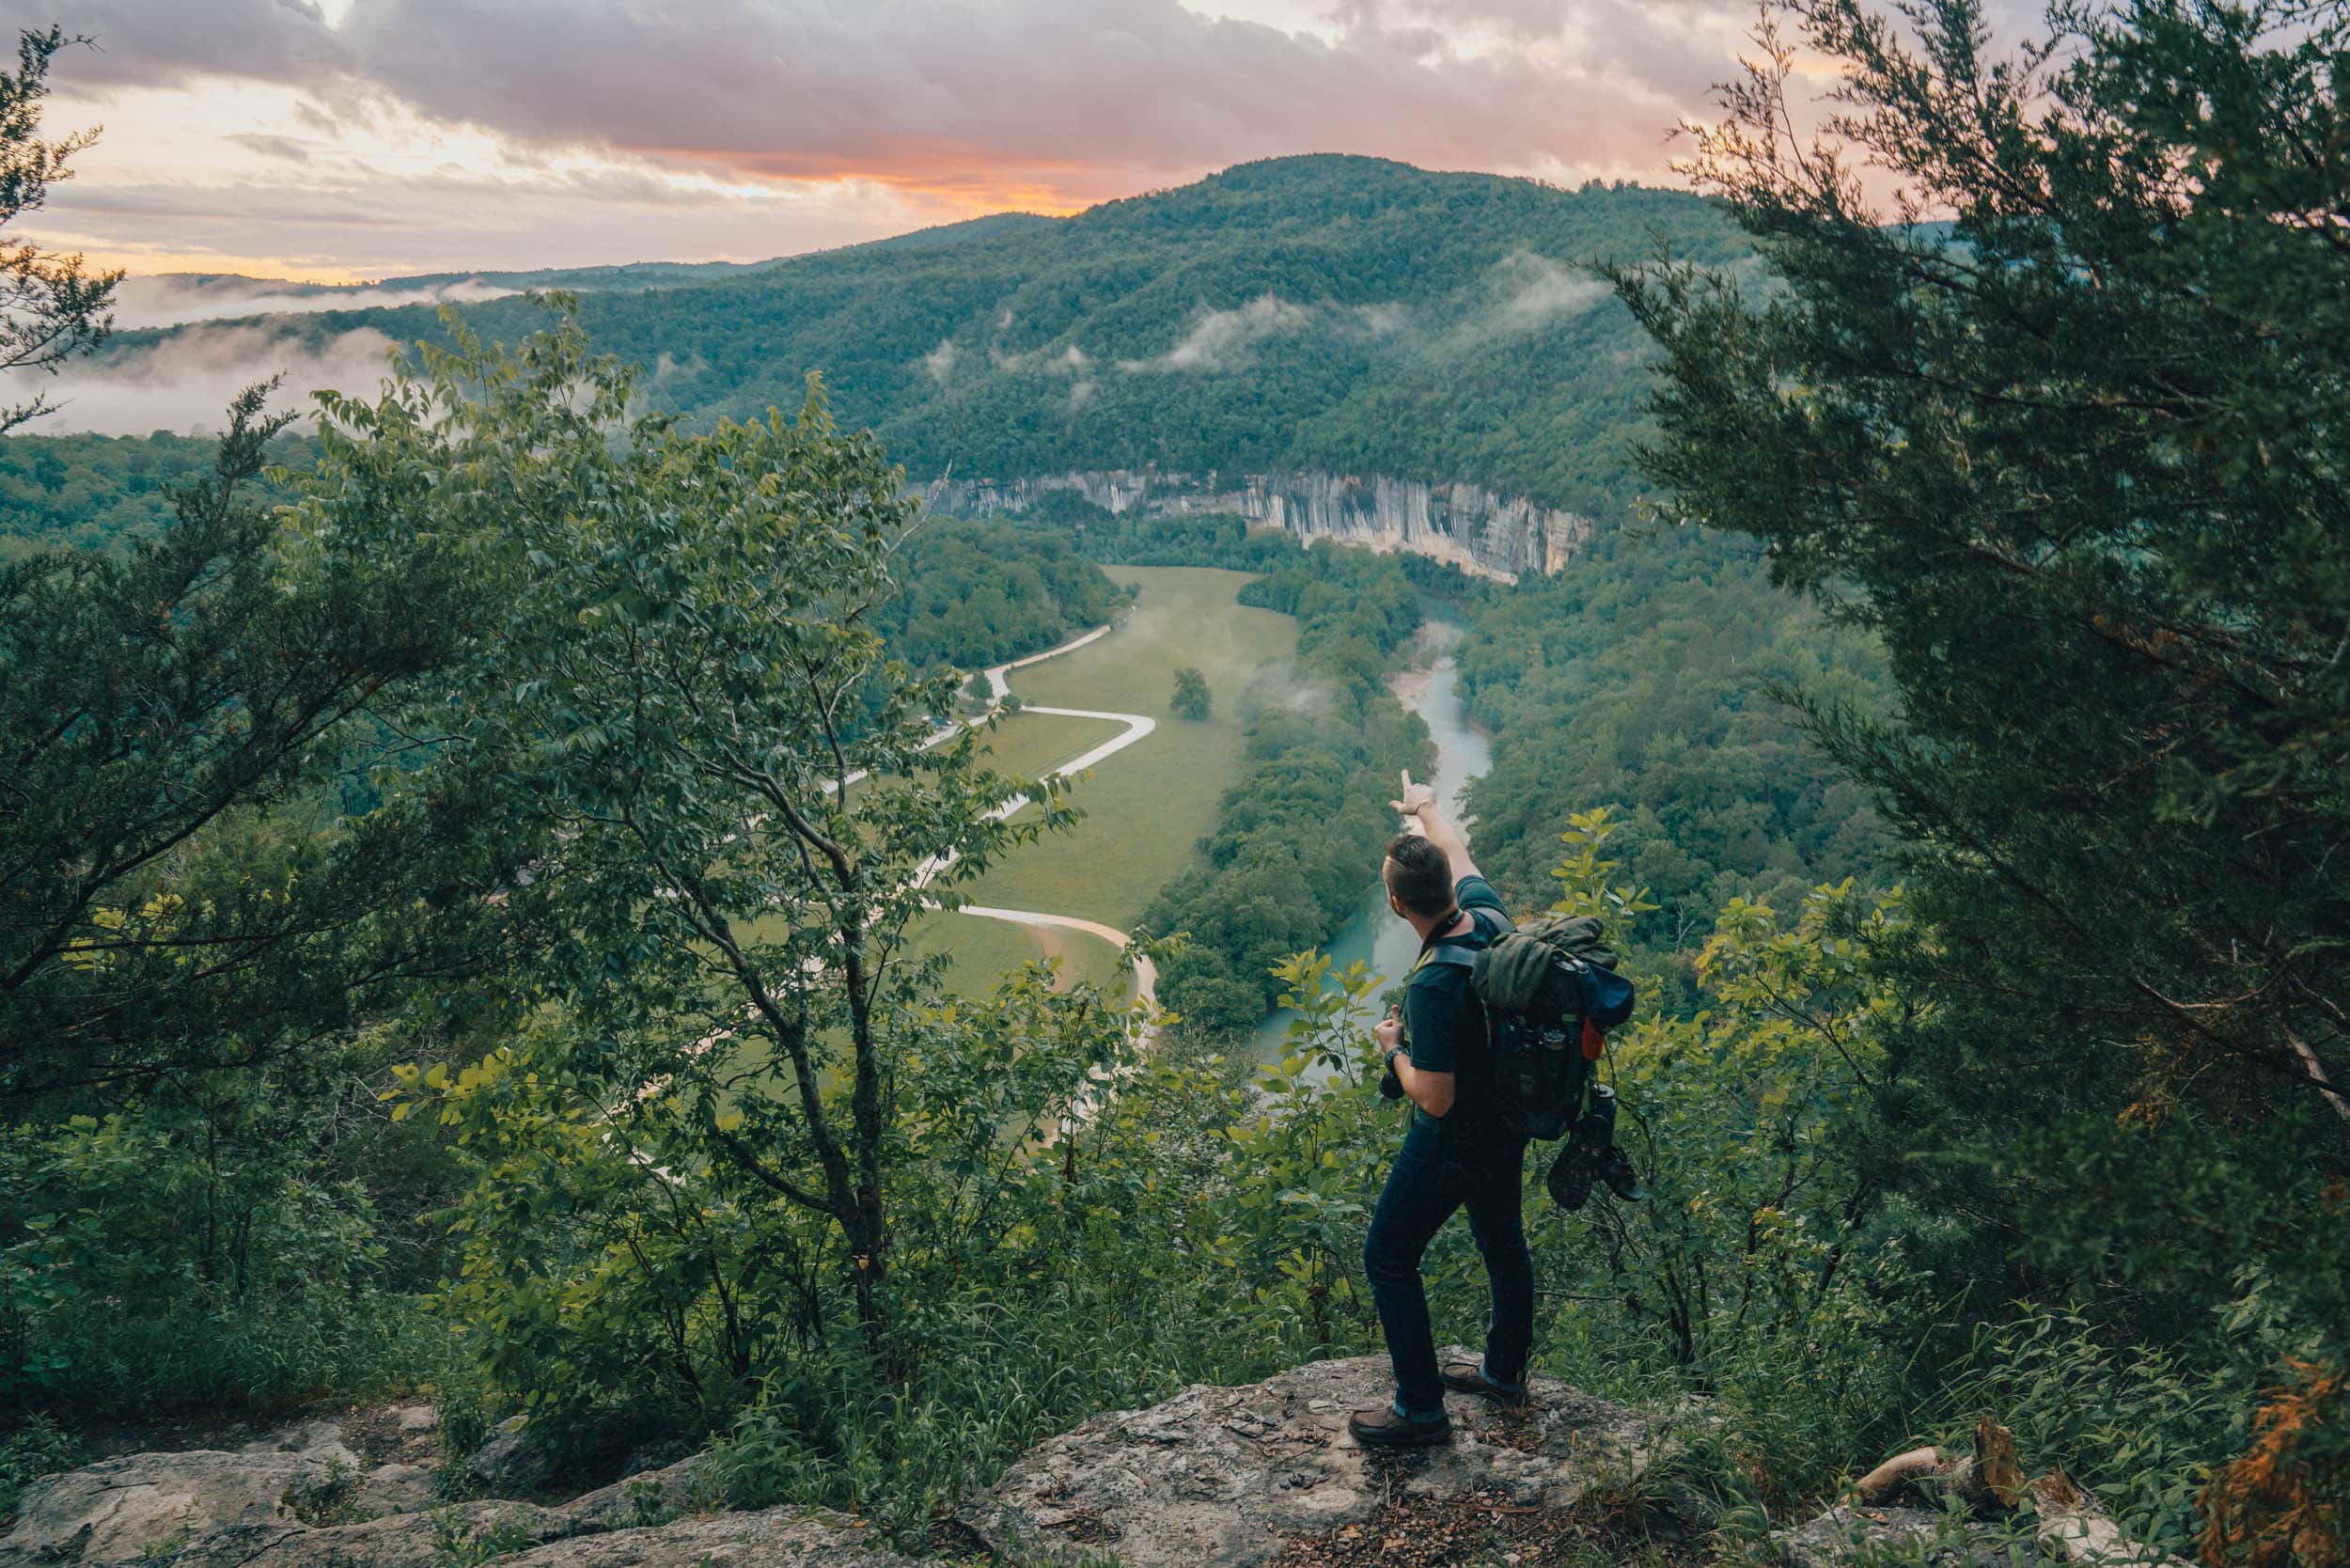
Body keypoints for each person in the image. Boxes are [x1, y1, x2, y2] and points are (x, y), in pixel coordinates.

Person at [1349, 770, 1533, 1448]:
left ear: (1398, 907)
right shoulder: (1488, 916)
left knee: (1388, 1256)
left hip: (1453, 1139)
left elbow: (1434, 1094)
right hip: (1506, 1127)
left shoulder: (1431, 982)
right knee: (1503, 1243)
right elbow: (1453, 844)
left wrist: (1393, 1049)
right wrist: (1423, 805)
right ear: (1449, 888)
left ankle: (1421, 1409)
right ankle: (1505, 1373)